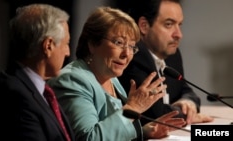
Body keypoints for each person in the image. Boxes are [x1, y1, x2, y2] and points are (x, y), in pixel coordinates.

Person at [47, 6, 186, 141]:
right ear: (93, 44)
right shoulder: (72, 80)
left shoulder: (111, 79)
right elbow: (89, 138)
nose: (127, 54)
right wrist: (133, 108)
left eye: (131, 46)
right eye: (119, 42)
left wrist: (144, 132)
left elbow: (114, 131)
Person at [0, 4, 75, 141]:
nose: (68, 52)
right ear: (48, 45)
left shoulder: (37, 90)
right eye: (66, 43)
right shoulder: (16, 98)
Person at [116, 0, 214, 125]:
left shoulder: (172, 55)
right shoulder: (134, 56)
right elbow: (155, 114)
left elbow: (185, 90)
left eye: (180, 25)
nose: (178, 34)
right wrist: (185, 115)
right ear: (144, 26)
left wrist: (187, 103)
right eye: (169, 24)